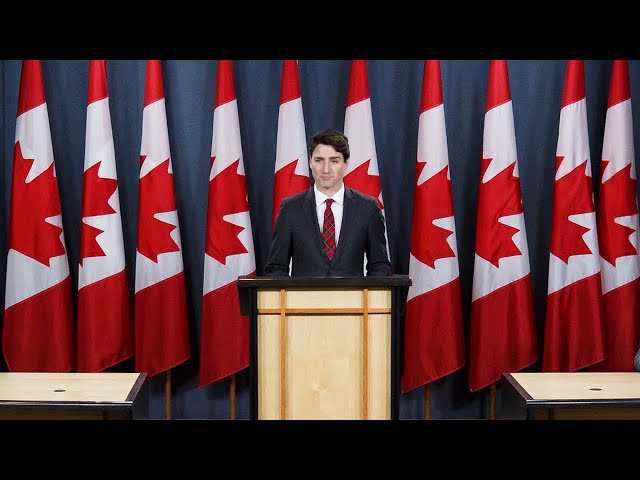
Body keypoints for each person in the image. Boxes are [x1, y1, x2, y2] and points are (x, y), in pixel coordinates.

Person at [265, 128, 391, 277]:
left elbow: (379, 266)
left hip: (353, 299)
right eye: (319, 160)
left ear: (346, 163)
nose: (326, 169)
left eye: (334, 161)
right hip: (303, 300)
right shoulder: (290, 209)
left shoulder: (368, 208)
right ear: (310, 162)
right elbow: (277, 268)